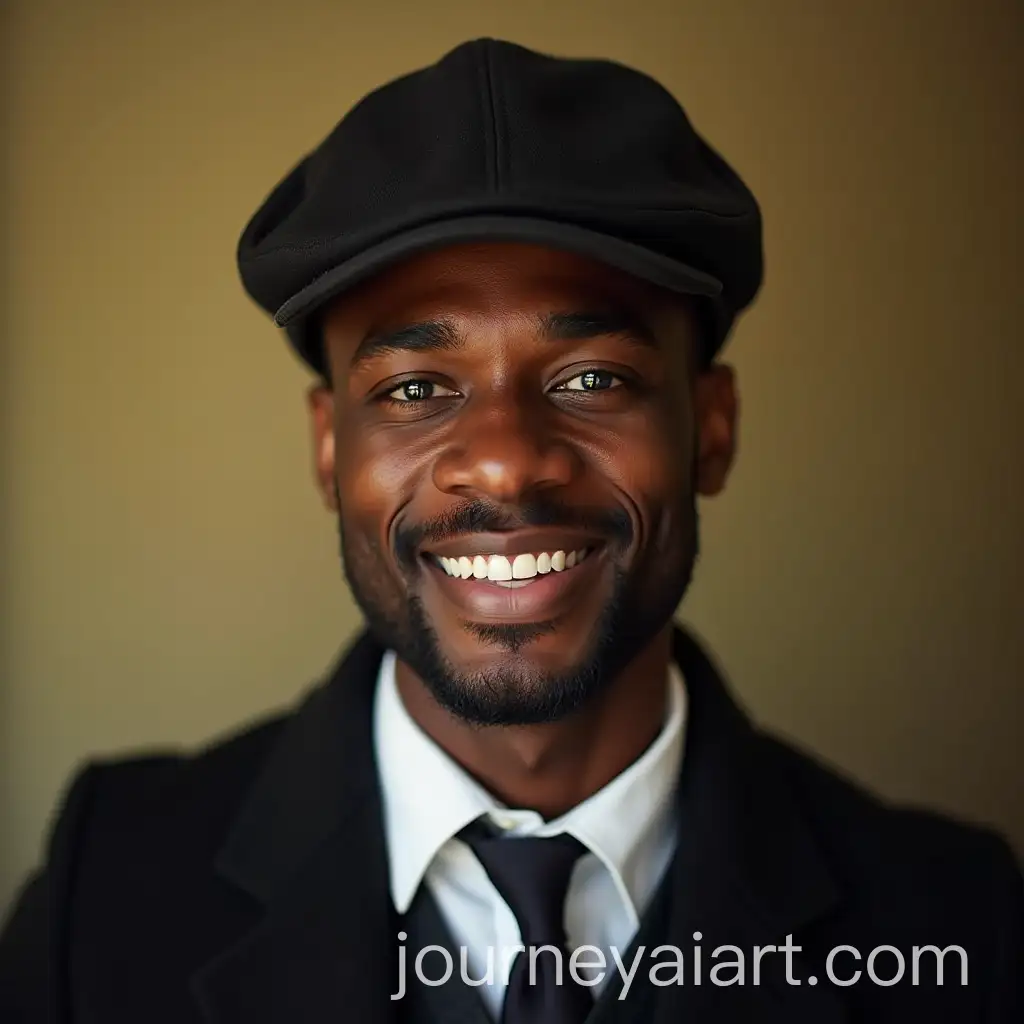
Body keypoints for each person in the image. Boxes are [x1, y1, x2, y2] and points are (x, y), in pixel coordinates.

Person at [0, 37, 1020, 1024]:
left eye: (591, 379)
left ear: (711, 430)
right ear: (328, 452)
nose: (503, 459)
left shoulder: (961, 923)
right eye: (413, 388)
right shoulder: (109, 893)